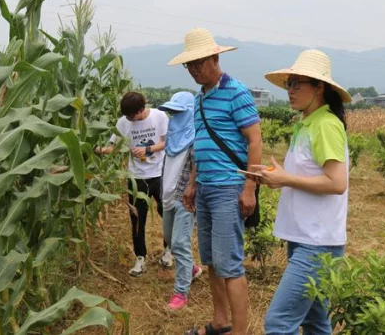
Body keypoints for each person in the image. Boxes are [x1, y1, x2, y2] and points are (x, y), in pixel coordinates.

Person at [167, 28, 262, 335]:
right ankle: (220, 321)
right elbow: (200, 145)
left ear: (215, 57)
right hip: (206, 187)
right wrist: (193, 183)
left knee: (230, 264)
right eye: (189, 65)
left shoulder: (236, 91)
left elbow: (255, 139)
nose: (194, 70)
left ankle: (239, 330)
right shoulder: (199, 99)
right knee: (211, 261)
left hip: (228, 187)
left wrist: (249, 186)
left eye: (199, 63)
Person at [256, 49, 351, 335]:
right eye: (289, 84)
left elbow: (337, 182)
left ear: (319, 88)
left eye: (298, 84)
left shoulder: (325, 125)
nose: (291, 90)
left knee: (278, 322)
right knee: (315, 321)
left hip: (316, 242)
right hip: (303, 237)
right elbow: (306, 175)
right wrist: (279, 177)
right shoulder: (305, 124)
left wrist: (286, 179)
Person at [97, 91, 172, 276]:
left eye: (133, 116)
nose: (129, 119)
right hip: (136, 177)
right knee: (137, 219)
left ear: (142, 109)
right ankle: (140, 258)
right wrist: (100, 150)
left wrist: (148, 148)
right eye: (127, 116)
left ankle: (169, 250)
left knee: (168, 215)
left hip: (160, 174)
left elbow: (167, 142)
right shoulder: (123, 122)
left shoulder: (159, 116)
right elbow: (115, 147)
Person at [157, 91, 203, 310]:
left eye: (178, 113)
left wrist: (191, 189)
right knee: (169, 238)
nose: (174, 118)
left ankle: (180, 293)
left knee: (179, 243)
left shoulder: (196, 139)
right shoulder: (172, 136)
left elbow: (197, 168)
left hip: (184, 198)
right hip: (168, 195)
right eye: (172, 113)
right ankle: (192, 268)